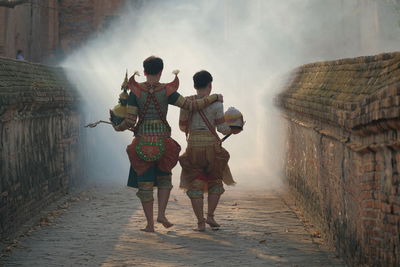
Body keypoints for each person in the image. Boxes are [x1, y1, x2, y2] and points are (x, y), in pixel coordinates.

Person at [111, 56, 223, 232]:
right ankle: (161, 214)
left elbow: (130, 122)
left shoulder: (136, 91)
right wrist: (214, 97)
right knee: (164, 178)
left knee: (145, 182)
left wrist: (118, 126)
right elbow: (190, 105)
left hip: (142, 142)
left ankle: (149, 224)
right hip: (164, 142)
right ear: (161, 71)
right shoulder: (167, 91)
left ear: (145, 71)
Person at [178, 70, 240, 231]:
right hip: (212, 148)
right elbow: (222, 129)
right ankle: (210, 216)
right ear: (210, 85)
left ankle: (200, 223)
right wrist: (234, 129)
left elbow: (182, 126)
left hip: (193, 147)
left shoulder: (186, 102)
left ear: (194, 85)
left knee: (195, 184)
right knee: (215, 181)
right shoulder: (217, 104)